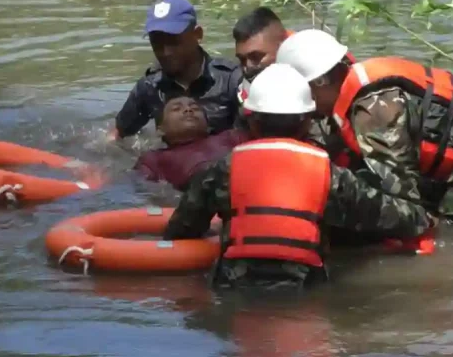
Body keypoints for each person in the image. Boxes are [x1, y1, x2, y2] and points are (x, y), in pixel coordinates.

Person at [163, 63, 435, 289]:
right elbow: (401, 219)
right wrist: (427, 218)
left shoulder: (221, 170)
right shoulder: (329, 174)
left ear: (251, 120)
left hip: (233, 291)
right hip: (305, 293)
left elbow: (181, 231)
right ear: (307, 121)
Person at [275, 29, 453, 232]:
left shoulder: (373, 113)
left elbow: (407, 207)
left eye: (302, 94)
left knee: (450, 238)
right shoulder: (356, 85)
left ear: (319, 82)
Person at [113, 0, 242, 139]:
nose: (165, 52)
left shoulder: (231, 81)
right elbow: (117, 136)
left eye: (173, 42)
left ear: (197, 34)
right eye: (157, 43)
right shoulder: (149, 87)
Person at [134, 96, 249, 191]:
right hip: (203, 198)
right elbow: (143, 190)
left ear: (207, 124)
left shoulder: (231, 137)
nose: (188, 110)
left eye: (195, 108)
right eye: (176, 109)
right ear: (161, 129)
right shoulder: (153, 159)